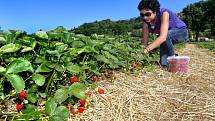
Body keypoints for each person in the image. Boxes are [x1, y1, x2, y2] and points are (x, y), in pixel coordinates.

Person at [138, 0, 188, 68]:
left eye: (147, 14)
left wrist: (147, 50)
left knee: (164, 36)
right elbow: (144, 42)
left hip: (181, 32)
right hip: (166, 36)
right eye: (142, 15)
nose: (145, 17)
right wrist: (140, 52)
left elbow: (163, 37)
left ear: (155, 11)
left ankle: (173, 61)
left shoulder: (164, 13)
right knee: (163, 64)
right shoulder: (145, 22)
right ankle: (166, 63)